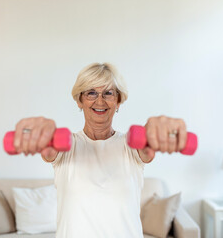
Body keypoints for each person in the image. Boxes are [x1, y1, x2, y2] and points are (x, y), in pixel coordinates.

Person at [13, 63, 188, 238]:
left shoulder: (132, 146)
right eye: (91, 93)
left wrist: (158, 128)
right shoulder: (64, 146)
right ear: (79, 100)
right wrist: (40, 131)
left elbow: (149, 142)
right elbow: (48, 147)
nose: (99, 101)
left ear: (118, 101)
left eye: (108, 93)